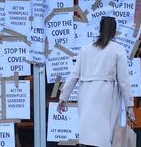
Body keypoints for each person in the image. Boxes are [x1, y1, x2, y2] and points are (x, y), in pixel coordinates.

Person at [58, 16, 135, 147]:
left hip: (86, 96)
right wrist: (129, 106)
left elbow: (73, 75)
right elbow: (124, 81)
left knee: (87, 136)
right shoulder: (117, 49)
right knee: (105, 137)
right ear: (114, 31)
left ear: (100, 29)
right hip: (106, 97)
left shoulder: (85, 50)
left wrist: (63, 97)